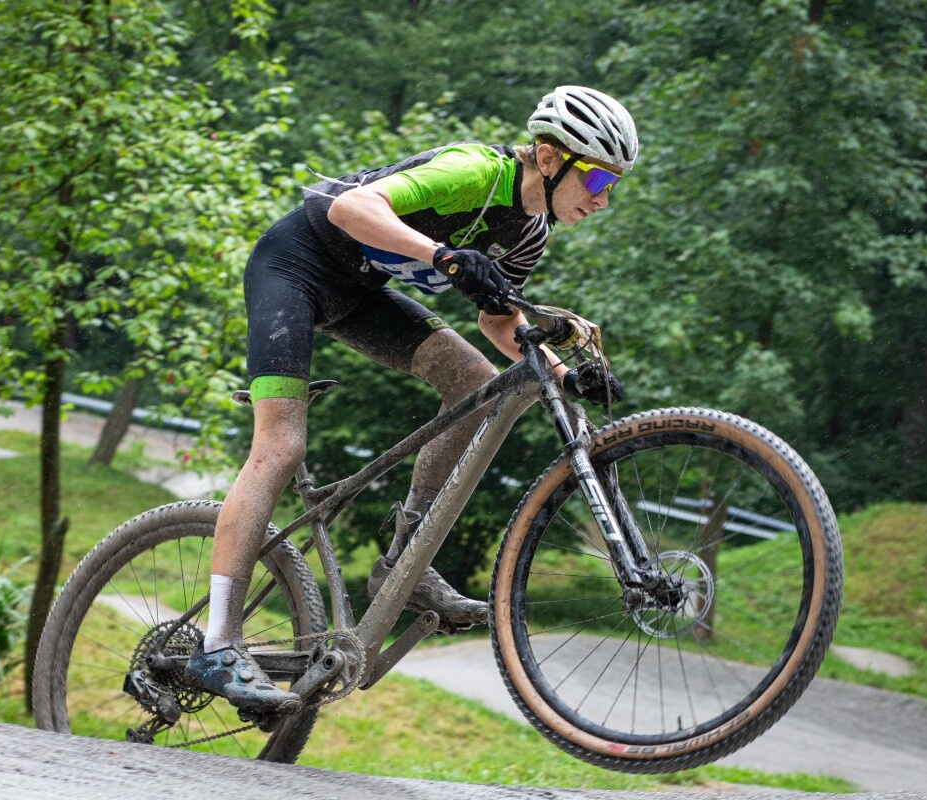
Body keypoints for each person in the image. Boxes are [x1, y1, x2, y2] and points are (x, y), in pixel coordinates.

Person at [185, 86, 638, 716]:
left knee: (475, 384)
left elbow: (499, 321)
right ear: (547, 156)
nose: (602, 198)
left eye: (612, 184)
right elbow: (350, 208)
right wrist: (442, 255)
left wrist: (565, 377)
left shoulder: (530, 234)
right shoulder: (475, 172)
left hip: (359, 294)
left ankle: (404, 562)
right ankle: (215, 644)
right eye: (597, 178)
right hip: (294, 266)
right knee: (281, 447)